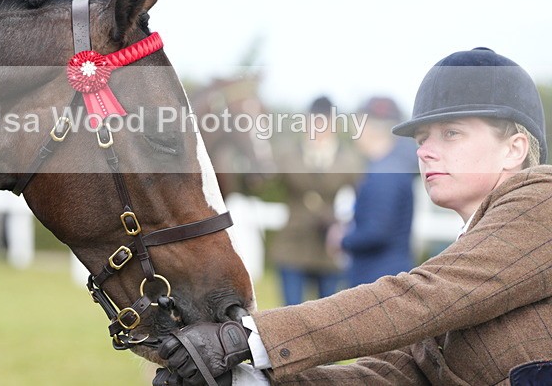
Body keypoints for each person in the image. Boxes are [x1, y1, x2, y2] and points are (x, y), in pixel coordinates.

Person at [153, 47, 552, 386]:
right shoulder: (467, 257)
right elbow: (388, 374)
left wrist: (246, 336)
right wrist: (247, 379)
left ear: (514, 149)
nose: (425, 151)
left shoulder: (543, 202)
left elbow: (423, 296)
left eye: (451, 133)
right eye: (422, 138)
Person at [268, 96, 361, 305]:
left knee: (327, 314)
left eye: (324, 123)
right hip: (293, 243)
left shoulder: (350, 159)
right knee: (289, 313)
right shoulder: (287, 154)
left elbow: (361, 198)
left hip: (329, 248)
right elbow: (265, 184)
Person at [327, 96, 418, 287]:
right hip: (382, 276)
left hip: (378, 279)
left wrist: (342, 240)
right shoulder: (389, 166)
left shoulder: (385, 173)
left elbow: (377, 232)